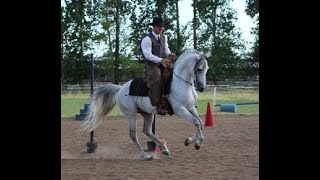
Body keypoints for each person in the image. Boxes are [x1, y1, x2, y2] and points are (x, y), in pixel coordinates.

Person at [141, 17, 176, 115]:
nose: (161, 28)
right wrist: (161, 60)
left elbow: (166, 50)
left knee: (174, 74)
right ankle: (158, 105)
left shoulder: (164, 37)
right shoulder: (147, 39)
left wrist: (170, 55)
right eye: (159, 26)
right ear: (153, 27)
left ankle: (172, 100)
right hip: (151, 66)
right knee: (157, 78)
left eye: (162, 26)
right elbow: (147, 55)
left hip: (162, 63)